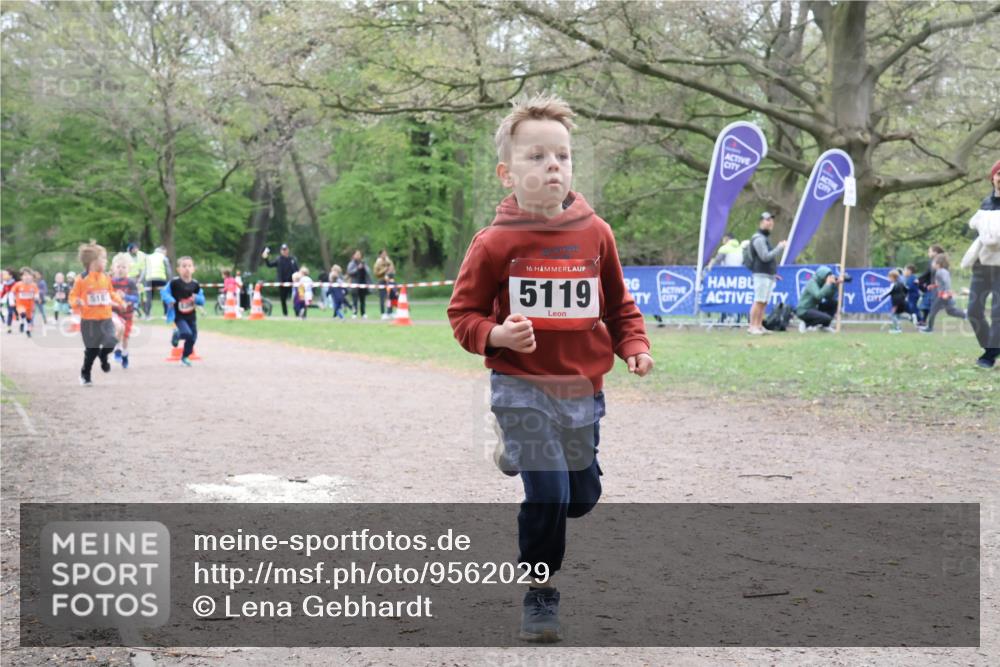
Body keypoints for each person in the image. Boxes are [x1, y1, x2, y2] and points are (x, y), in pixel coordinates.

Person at [447, 93, 653, 643]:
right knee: (550, 496)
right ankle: (540, 593)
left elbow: (619, 306)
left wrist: (633, 345)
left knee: (582, 498)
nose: (552, 166)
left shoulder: (596, 234)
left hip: (580, 388)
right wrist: (495, 334)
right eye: (536, 157)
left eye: (561, 156)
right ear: (506, 173)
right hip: (519, 387)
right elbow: (462, 314)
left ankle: (513, 452)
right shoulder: (494, 243)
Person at [69, 242, 125, 386]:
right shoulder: (81, 279)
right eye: (104, 258)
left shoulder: (105, 277)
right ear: (93, 261)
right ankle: (85, 373)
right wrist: (78, 302)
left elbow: (110, 292)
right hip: (89, 320)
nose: (106, 261)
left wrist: (120, 301)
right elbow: (72, 296)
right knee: (91, 351)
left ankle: (104, 355)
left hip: (106, 318)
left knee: (111, 340)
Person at [963, 159, 1000, 368]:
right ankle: (991, 346)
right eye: (999, 174)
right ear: (993, 178)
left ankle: (990, 355)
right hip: (981, 266)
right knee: (973, 310)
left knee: (998, 312)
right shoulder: (984, 205)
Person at [746, 212, 788, 335]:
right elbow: (765, 257)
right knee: (759, 300)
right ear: (761, 222)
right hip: (760, 274)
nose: (770, 222)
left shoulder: (765, 238)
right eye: (767, 220)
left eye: (771, 220)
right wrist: (780, 247)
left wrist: (773, 273)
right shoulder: (758, 239)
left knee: (764, 302)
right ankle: (752, 326)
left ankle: (759, 326)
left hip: (768, 275)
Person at [161, 256, 204, 367]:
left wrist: (197, 299)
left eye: (189, 266)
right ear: (178, 269)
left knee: (193, 337)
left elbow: (202, 299)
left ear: (193, 269)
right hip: (178, 315)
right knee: (186, 333)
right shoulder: (174, 283)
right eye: (184, 266)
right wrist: (169, 300)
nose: (187, 268)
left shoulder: (195, 284)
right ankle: (177, 335)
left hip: (191, 315)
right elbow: (164, 293)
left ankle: (185, 356)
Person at [920, 253, 966, 333]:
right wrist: (933, 286)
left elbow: (947, 282)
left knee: (933, 310)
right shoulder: (940, 271)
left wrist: (946, 293)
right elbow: (940, 283)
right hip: (943, 295)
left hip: (943, 295)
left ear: (938, 264)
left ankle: (929, 328)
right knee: (950, 311)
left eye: (933, 262)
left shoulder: (941, 271)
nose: (932, 264)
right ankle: (966, 314)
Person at [110, 253, 140, 368]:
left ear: (128, 269)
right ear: (113, 268)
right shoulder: (110, 282)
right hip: (114, 312)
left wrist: (125, 297)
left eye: (124, 267)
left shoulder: (131, 282)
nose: (121, 269)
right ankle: (117, 350)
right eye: (118, 267)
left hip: (127, 314)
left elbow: (136, 298)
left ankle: (125, 354)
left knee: (126, 337)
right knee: (118, 329)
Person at [795, 265, 845, 331]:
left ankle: (824, 326)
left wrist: (835, 286)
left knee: (834, 303)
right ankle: (807, 324)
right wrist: (827, 284)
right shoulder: (812, 283)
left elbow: (829, 297)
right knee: (827, 318)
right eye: (827, 276)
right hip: (804, 310)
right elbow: (818, 296)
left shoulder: (822, 283)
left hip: (814, 308)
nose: (829, 278)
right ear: (822, 276)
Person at [262, 243, 299, 316]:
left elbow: (297, 270)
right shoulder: (278, 259)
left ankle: (297, 313)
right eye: (283, 250)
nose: (284, 251)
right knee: (283, 299)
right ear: (281, 251)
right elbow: (269, 265)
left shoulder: (292, 259)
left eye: (285, 249)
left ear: (288, 250)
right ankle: (285, 314)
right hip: (282, 283)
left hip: (292, 283)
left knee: (295, 298)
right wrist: (266, 258)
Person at [916, 244, 945, 325]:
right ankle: (925, 322)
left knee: (933, 306)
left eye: (930, 251)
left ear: (935, 252)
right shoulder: (931, 262)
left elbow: (940, 275)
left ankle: (927, 323)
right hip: (931, 287)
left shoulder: (941, 262)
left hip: (937, 287)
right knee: (926, 305)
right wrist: (919, 280)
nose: (928, 253)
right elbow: (927, 274)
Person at [142, 245, 172, 319]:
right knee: (164, 295)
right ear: (163, 251)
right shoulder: (164, 257)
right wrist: (170, 279)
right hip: (161, 278)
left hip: (149, 279)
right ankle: (165, 314)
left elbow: (144, 270)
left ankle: (147, 315)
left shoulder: (148, 257)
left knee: (149, 297)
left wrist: (141, 280)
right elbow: (168, 269)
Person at [13, 267, 40, 337]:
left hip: (30, 306)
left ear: (31, 277)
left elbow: (36, 293)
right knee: (22, 313)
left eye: (28, 275)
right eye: (24, 275)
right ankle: (22, 323)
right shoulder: (18, 285)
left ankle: (27, 329)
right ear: (21, 277)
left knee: (29, 319)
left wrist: (37, 297)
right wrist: (12, 300)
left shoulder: (33, 285)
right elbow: (12, 292)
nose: (26, 277)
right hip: (20, 304)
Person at [347, 250, 370, 319]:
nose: (358, 256)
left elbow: (368, 272)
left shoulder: (363, 263)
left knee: (363, 300)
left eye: (359, 254)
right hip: (355, 284)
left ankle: (363, 313)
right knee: (355, 300)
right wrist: (357, 268)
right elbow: (349, 272)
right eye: (357, 254)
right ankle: (354, 313)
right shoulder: (351, 263)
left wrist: (364, 267)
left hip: (363, 284)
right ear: (354, 255)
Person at [374, 248, 396, 319]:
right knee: (382, 298)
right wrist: (385, 270)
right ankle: (382, 313)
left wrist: (391, 270)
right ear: (380, 255)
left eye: (385, 253)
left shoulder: (389, 261)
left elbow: (393, 270)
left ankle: (390, 312)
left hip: (389, 281)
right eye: (383, 253)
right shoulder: (378, 262)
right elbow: (376, 273)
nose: (385, 255)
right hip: (382, 281)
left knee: (390, 297)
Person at [885, 270, 909, 334]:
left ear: (893, 277)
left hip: (896, 302)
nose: (888, 278)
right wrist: (904, 297)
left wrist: (880, 297)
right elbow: (906, 290)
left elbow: (888, 292)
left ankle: (897, 328)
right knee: (897, 315)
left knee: (892, 315)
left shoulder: (893, 284)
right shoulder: (901, 283)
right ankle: (910, 317)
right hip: (901, 301)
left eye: (889, 277)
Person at [126, 242, 146, 313]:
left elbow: (142, 269)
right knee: (129, 293)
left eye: (136, 249)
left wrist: (140, 279)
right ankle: (132, 307)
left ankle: (137, 307)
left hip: (136, 279)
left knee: (140, 292)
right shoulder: (126, 256)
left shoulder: (140, 257)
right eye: (134, 249)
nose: (136, 250)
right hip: (128, 278)